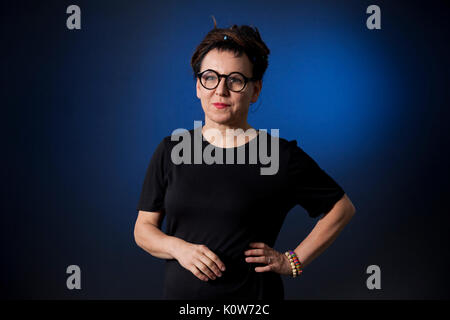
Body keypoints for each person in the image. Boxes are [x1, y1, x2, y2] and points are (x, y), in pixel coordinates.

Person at [134, 18, 356, 300]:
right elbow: (143, 230)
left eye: (235, 80)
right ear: (198, 86)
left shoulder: (278, 155)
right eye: (210, 77)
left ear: (256, 89)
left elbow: (342, 208)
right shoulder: (172, 149)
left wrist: (294, 260)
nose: (221, 90)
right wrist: (179, 248)